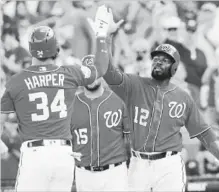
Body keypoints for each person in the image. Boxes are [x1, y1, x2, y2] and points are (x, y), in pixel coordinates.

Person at [92, 5, 219, 192]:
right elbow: (105, 70)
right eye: (156, 57)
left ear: (175, 67)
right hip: (138, 163)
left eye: (165, 59)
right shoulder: (134, 85)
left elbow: (205, 135)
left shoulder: (183, 97)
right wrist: (105, 37)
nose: (158, 61)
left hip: (169, 165)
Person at [0, 26, 99, 192]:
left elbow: (1, 118)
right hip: (64, 154)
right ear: (56, 49)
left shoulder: (16, 81)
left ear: (31, 50)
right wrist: (103, 37)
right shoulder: (70, 73)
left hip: (35, 153)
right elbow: (99, 70)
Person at [70, 55, 130, 192]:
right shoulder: (70, 104)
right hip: (83, 174)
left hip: (115, 172)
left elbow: (131, 138)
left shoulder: (119, 100)